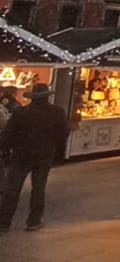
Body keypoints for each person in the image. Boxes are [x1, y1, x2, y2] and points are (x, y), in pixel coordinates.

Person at [0, 83, 69, 231]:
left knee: (13, 189)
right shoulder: (57, 112)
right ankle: (33, 221)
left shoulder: (21, 112)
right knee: (38, 188)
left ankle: (4, 221)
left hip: (21, 155)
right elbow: (63, 134)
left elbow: (9, 133)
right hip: (44, 155)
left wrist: (4, 148)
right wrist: (58, 154)